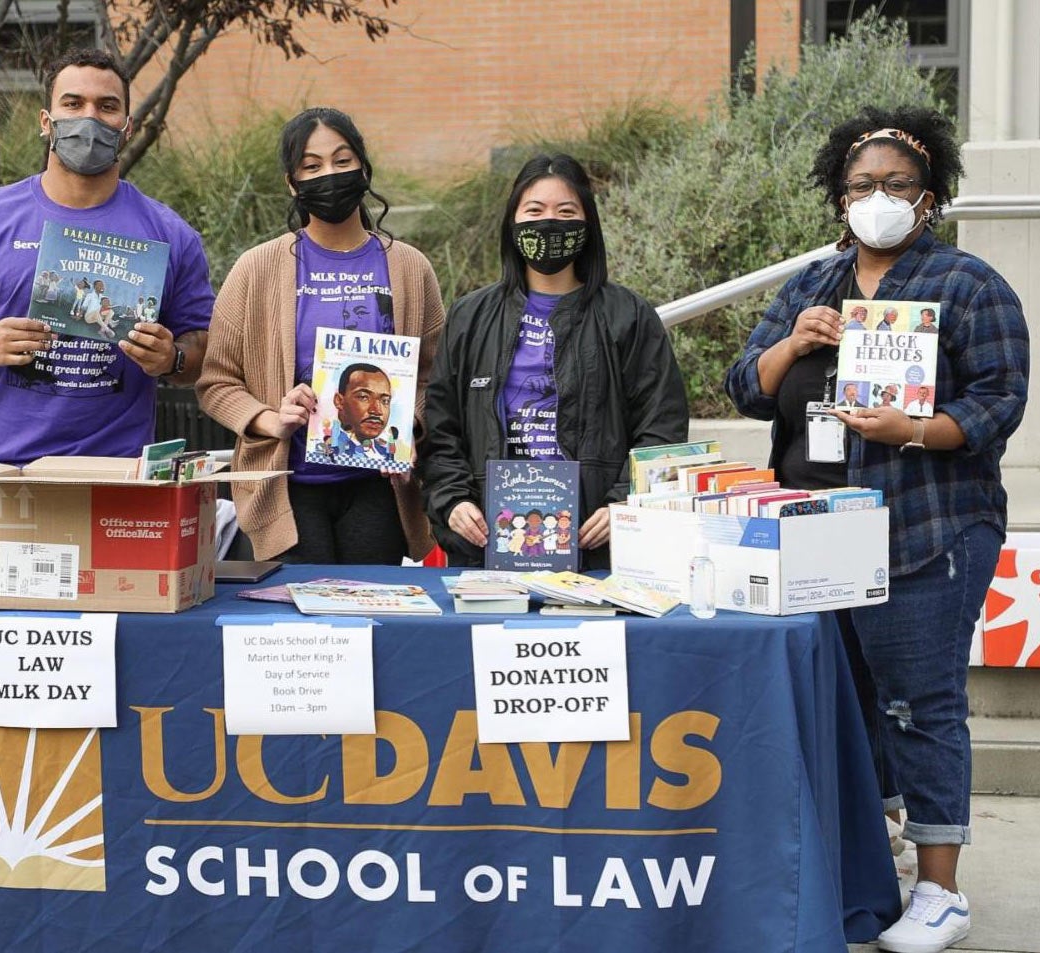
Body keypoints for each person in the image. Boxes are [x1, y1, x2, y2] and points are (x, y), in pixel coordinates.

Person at [724, 106, 1028, 953]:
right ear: (839, 196)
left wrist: (915, 430)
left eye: (896, 184)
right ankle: (878, 850)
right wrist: (792, 344)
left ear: (928, 197)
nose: (877, 198)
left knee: (919, 704)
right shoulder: (811, 287)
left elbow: (999, 400)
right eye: (861, 185)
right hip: (816, 533)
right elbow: (745, 386)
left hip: (927, 529)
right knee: (846, 696)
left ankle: (940, 887)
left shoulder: (966, 284)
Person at [0, 48, 213, 577]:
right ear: (47, 121)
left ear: (127, 126)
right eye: (73, 103)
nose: (89, 118)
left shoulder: (169, 234)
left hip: (116, 484)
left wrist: (172, 358)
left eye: (107, 106)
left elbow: (205, 348)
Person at [197, 107, 443, 565]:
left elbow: (434, 377)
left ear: (364, 168)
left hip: (378, 488)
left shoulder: (410, 267)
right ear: (293, 183)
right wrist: (270, 419)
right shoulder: (256, 269)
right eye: (312, 166)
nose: (329, 175)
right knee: (298, 609)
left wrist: (407, 427)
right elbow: (217, 382)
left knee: (371, 605)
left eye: (342, 160)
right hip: (287, 485)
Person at [420, 153, 688, 569]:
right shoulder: (470, 316)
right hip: (487, 543)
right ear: (512, 222)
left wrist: (625, 503)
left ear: (588, 223)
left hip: (596, 546)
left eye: (566, 212)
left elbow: (662, 426)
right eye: (534, 211)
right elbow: (442, 428)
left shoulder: (628, 316)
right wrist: (453, 500)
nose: (549, 223)